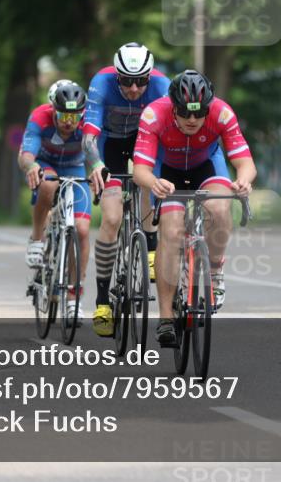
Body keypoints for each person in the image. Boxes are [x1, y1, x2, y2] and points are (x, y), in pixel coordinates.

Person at [132, 70, 257, 347]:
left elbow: (245, 162)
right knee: (172, 230)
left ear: (208, 108)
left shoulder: (222, 114)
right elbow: (140, 170)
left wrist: (244, 181)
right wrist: (154, 182)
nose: (192, 120)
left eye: (199, 113)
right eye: (185, 113)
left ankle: (214, 270)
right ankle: (166, 318)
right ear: (173, 106)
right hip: (167, 173)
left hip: (206, 167)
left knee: (220, 208)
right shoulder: (154, 115)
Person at [82, 43, 169, 337]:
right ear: (117, 76)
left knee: (149, 181)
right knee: (111, 218)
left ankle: (152, 247)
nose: (133, 88)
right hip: (110, 145)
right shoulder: (101, 83)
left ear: (149, 76)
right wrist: (95, 163)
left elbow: (171, 131)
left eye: (140, 80)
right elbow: (89, 136)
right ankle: (103, 301)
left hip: (145, 142)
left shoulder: (161, 86)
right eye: (127, 81)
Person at [19, 80, 94, 325]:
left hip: (74, 167)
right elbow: (27, 151)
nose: (68, 122)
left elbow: (95, 154)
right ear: (53, 110)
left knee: (82, 231)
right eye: (63, 115)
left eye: (74, 116)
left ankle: (74, 297)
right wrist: (32, 166)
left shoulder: (87, 122)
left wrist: (99, 170)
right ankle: (38, 239)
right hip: (46, 164)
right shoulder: (40, 117)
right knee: (49, 185)